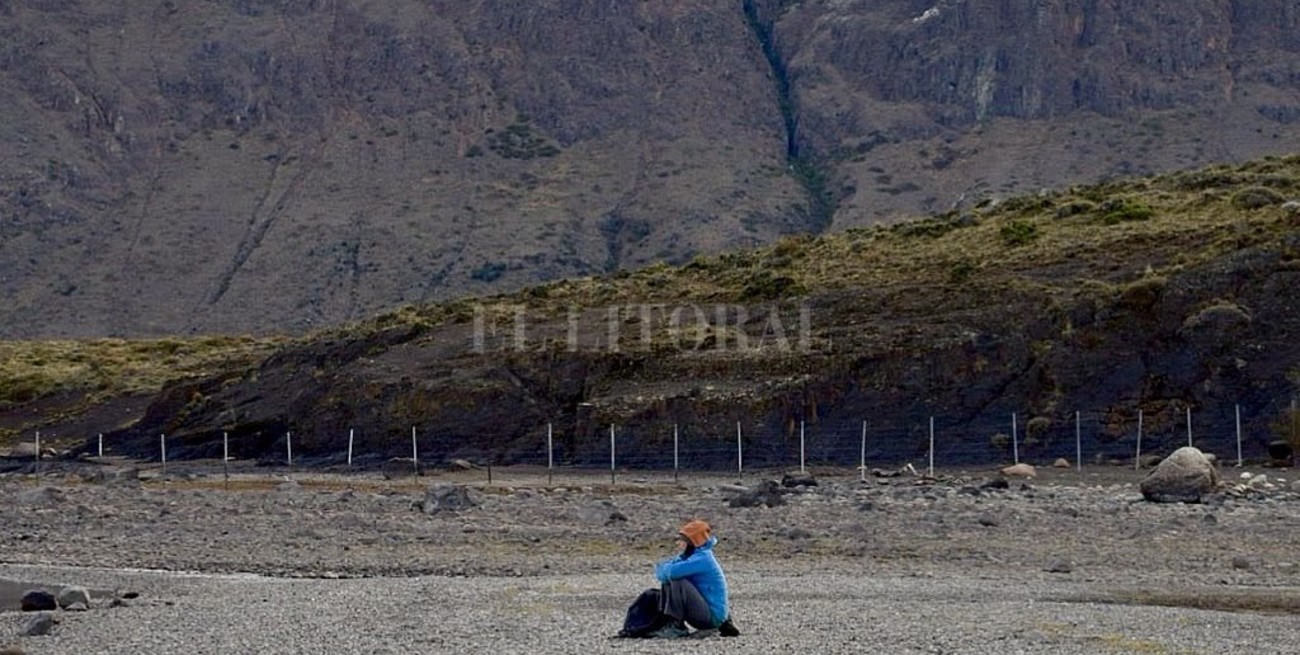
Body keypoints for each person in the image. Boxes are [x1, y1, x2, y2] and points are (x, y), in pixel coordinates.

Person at [617, 519, 740, 638]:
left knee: (677, 581)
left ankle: (675, 626)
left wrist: (666, 568)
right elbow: (664, 574)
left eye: (682, 540)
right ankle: (668, 622)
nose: (679, 543)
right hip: (708, 611)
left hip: (711, 618)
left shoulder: (702, 559)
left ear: (692, 541)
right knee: (669, 582)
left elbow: (667, 572)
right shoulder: (693, 556)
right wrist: (666, 569)